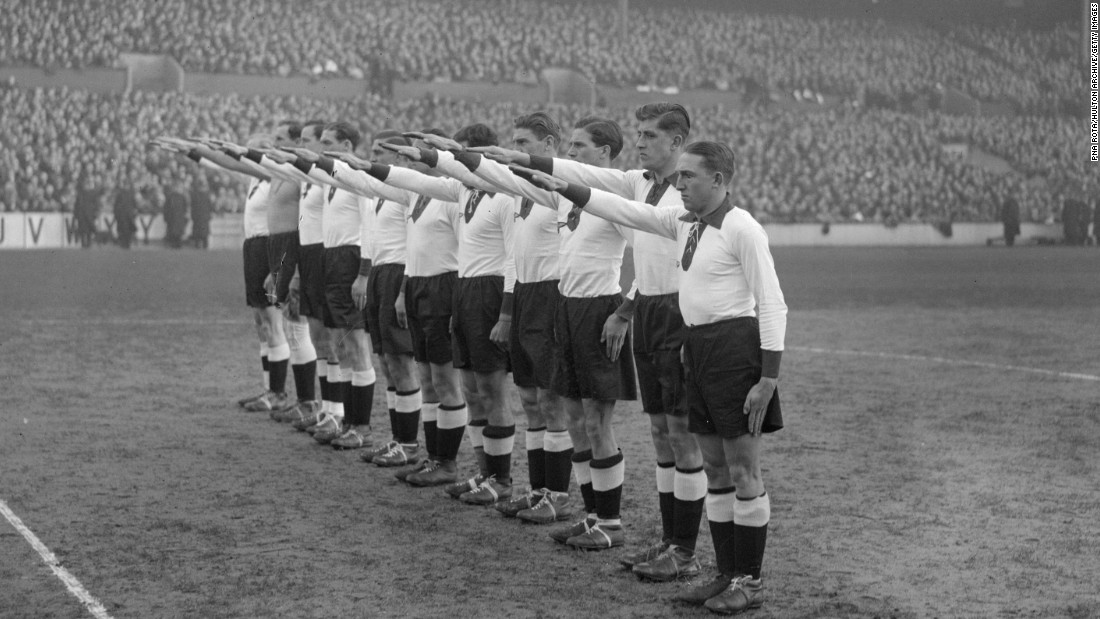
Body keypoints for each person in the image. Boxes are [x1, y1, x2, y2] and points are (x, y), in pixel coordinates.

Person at [519, 139, 786, 613]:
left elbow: (772, 303)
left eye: (689, 177)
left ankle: (751, 580)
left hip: (734, 352)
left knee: (743, 468)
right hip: (696, 349)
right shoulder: (684, 223)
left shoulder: (742, 228)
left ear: (719, 181)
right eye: (678, 176)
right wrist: (568, 187)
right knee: (716, 468)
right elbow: (628, 210)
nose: (678, 185)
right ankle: (724, 574)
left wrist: (768, 378)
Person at [481, 103, 706, 572]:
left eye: (648, 135)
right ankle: (604, 520)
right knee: (608, 424)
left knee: (672, 433)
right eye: (638, 134)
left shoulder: (679, 196)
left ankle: (657, 538)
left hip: (649, 313)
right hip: (581, 308)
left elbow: (665, 261)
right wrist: (490, 158)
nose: (639, 142)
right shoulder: (639, 183)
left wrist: (624, 309)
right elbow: (568, 172)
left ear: (677, 144)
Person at [455, 117, 637, 541]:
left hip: (578, 303)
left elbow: (649, 251)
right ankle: (552, 495)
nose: (573, 153)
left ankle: (576, 504)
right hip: (543, 302)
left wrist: (626, 310)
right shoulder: (553, 193)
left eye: (580, 146)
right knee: (547, 406)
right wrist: (449, 155)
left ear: (605, 153)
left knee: (577, 414)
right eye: (570, 146)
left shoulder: (609, 196)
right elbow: (510, 191)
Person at [369, 125, 518, 505]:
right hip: (448, 291)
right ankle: (454, 463)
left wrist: (501, 309)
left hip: (462, 290)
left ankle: (477, 471)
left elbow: (493, 254)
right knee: (458, 385)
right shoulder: (451, 193)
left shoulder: (493, 196)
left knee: (477, 387)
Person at [73, 175, 101, 249]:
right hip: (82, 216)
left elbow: (96, 205)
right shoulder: (80, 195)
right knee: (82, 230)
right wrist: (76, 215)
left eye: (87, 184)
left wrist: (95, 214)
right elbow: (77, 206)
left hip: (89, 215)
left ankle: (88, 243)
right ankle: (83, 243)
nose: (86, 186)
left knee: (88, 231)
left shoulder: (93, 194)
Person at [163, 178, 191, 250]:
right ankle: (174, 244)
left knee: (178, 232)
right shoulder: (170, 197)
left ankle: (178, 244)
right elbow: (166, 208)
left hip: (179, 218)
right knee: (173, 232)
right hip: (173, 218)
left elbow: (185, 207)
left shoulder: (181, 197)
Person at [189, 175, 213, 249]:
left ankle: (199, 246)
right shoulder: (206, 195)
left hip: (199, 217)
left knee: (198, 234)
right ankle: (204, 246)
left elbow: (193, 207)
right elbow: (210, 207)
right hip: (203, 217)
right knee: (203, 234)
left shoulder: (195, 195)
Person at [113, 178, 138, 250]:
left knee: (129, 231)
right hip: (122, 216)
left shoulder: (131, 194)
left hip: (129, 216)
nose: (126, 186)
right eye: (125, 184)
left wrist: (134, 212)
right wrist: (117, 214)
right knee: (122, 230)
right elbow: (116, 205)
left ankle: (128, 243)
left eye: (127, 185)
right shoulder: (120, 194)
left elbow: (134, 204)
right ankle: (123, 243)